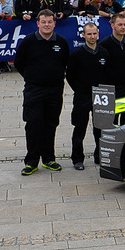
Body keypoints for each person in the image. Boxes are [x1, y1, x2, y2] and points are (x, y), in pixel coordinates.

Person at [14, 10, 70, 175]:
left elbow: (66, 63)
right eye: (43, 22)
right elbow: (19, 63)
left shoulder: (61, 42)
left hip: (55, 90)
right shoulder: (29, 41)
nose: (47, 25)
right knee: (33, 124)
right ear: (38, 23)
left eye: (49, 22)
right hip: (34, 90)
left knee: (51, 123)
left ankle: (49, 159)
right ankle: (31, 161)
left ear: (54, 23)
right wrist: (32, 77)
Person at [66, 22, 109, 169]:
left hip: (100, 97)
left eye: (94, 33)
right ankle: (77, 159)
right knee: (79, 128)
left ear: (98, 34)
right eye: (89, 34)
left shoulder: (104, 53)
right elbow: (70, 76)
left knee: (100, 129)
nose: (92, 36)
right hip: (82, 97)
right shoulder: (76, 54)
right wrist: (80, 90)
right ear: (83, 35)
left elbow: (108, 75)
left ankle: (99, 156)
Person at [99, 13, 125, 124]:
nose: (123, 27)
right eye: (120, 24)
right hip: (112, 89)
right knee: (111, 122)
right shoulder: (104, 45)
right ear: (112, 25)